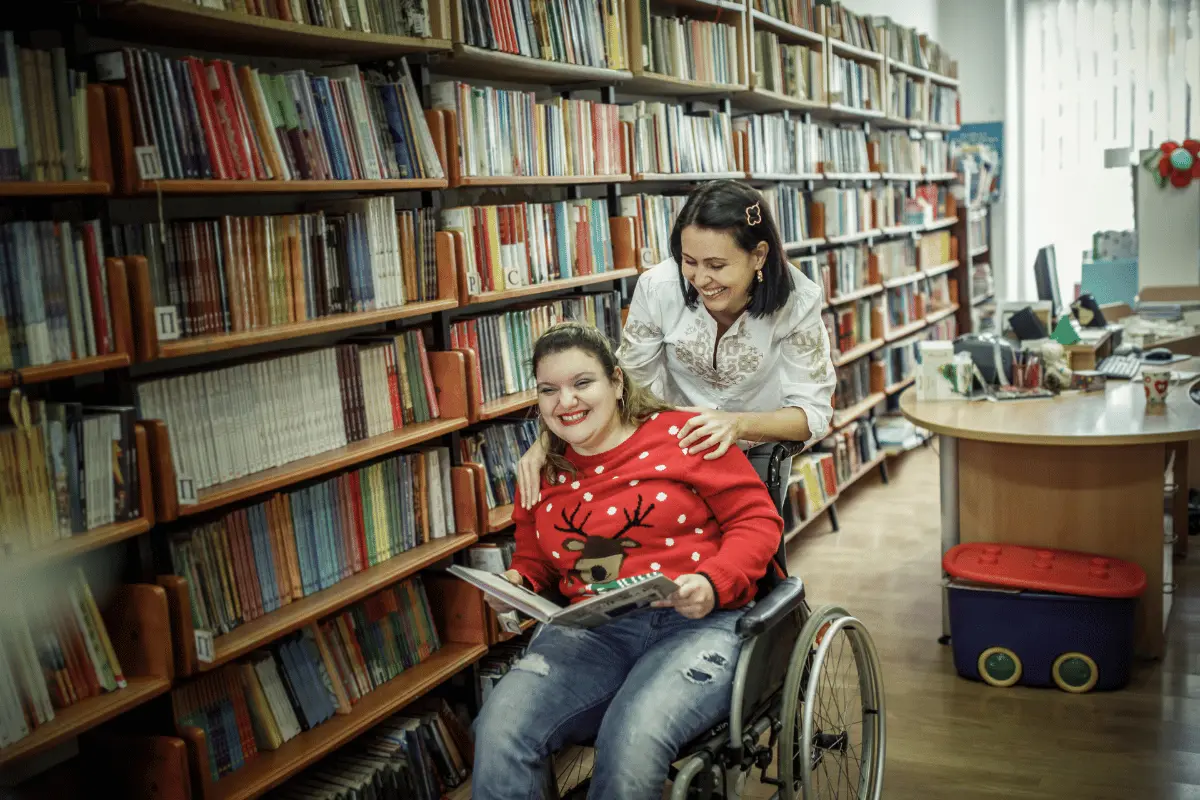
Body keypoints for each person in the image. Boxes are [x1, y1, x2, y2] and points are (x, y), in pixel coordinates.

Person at [471, 322, 783, 800]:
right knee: (498, 729)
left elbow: (757, 521)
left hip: (699, 623)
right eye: (549, 390)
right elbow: (535, 559)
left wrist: (713, 581)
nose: (566, 402)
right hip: (592, 633)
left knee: (631, 737)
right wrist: (516, 584)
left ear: (616, 383)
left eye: (582, 383)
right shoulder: (541, 469)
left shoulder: (683, 436)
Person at [517, 179, 835, 509]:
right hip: (668, 450)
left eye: (716, 265)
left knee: (750, 541)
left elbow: (811, 414)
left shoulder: (799, 302)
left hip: (757, 451)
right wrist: (549, 441)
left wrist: (736, 424)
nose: (700, 279)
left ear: (758, 255)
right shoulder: (658, 287)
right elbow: (628, 383)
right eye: (689, 261)